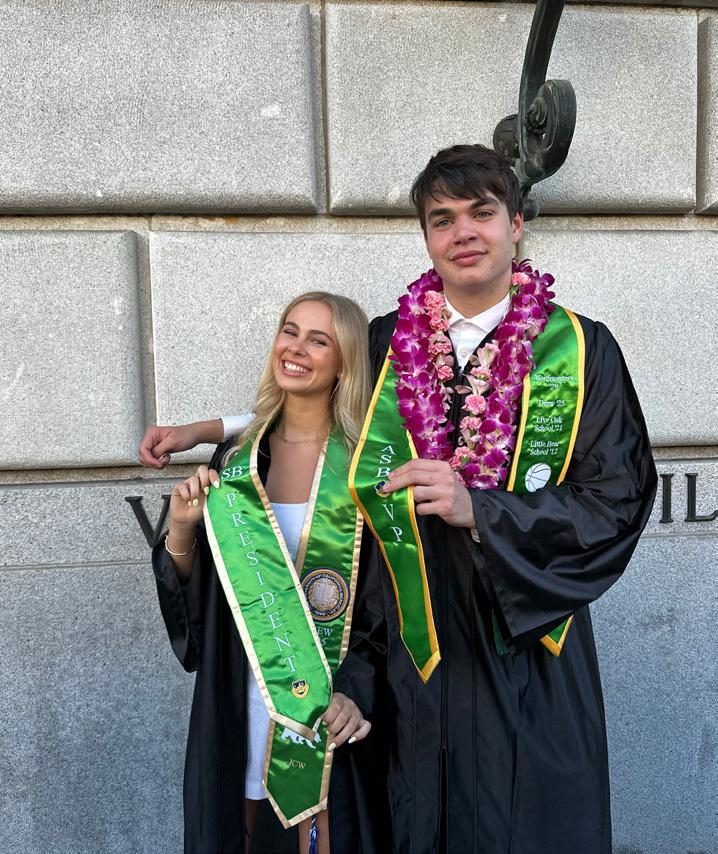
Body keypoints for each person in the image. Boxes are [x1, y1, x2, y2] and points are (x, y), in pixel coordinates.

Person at [141, 145, 657, 854]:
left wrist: (483, 511)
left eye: (481, 213)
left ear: (516, 225)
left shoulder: (582, 350)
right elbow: (310, 408)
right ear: (426, 238)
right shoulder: (387, 342)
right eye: (442, 219)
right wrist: (211, 431)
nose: (463, 233)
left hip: (529, 657)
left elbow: (618, 499)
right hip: (405, 663)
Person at [152, 291, 380, 854]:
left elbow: (386, 605)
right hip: (242, 695)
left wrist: (356, 692)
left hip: (327, 702)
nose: (295, 348)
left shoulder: (366, 468)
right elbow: (202, 606)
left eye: (318, 340)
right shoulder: (237, 460)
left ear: (345, 362)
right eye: (289, 331)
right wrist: (180, 530)